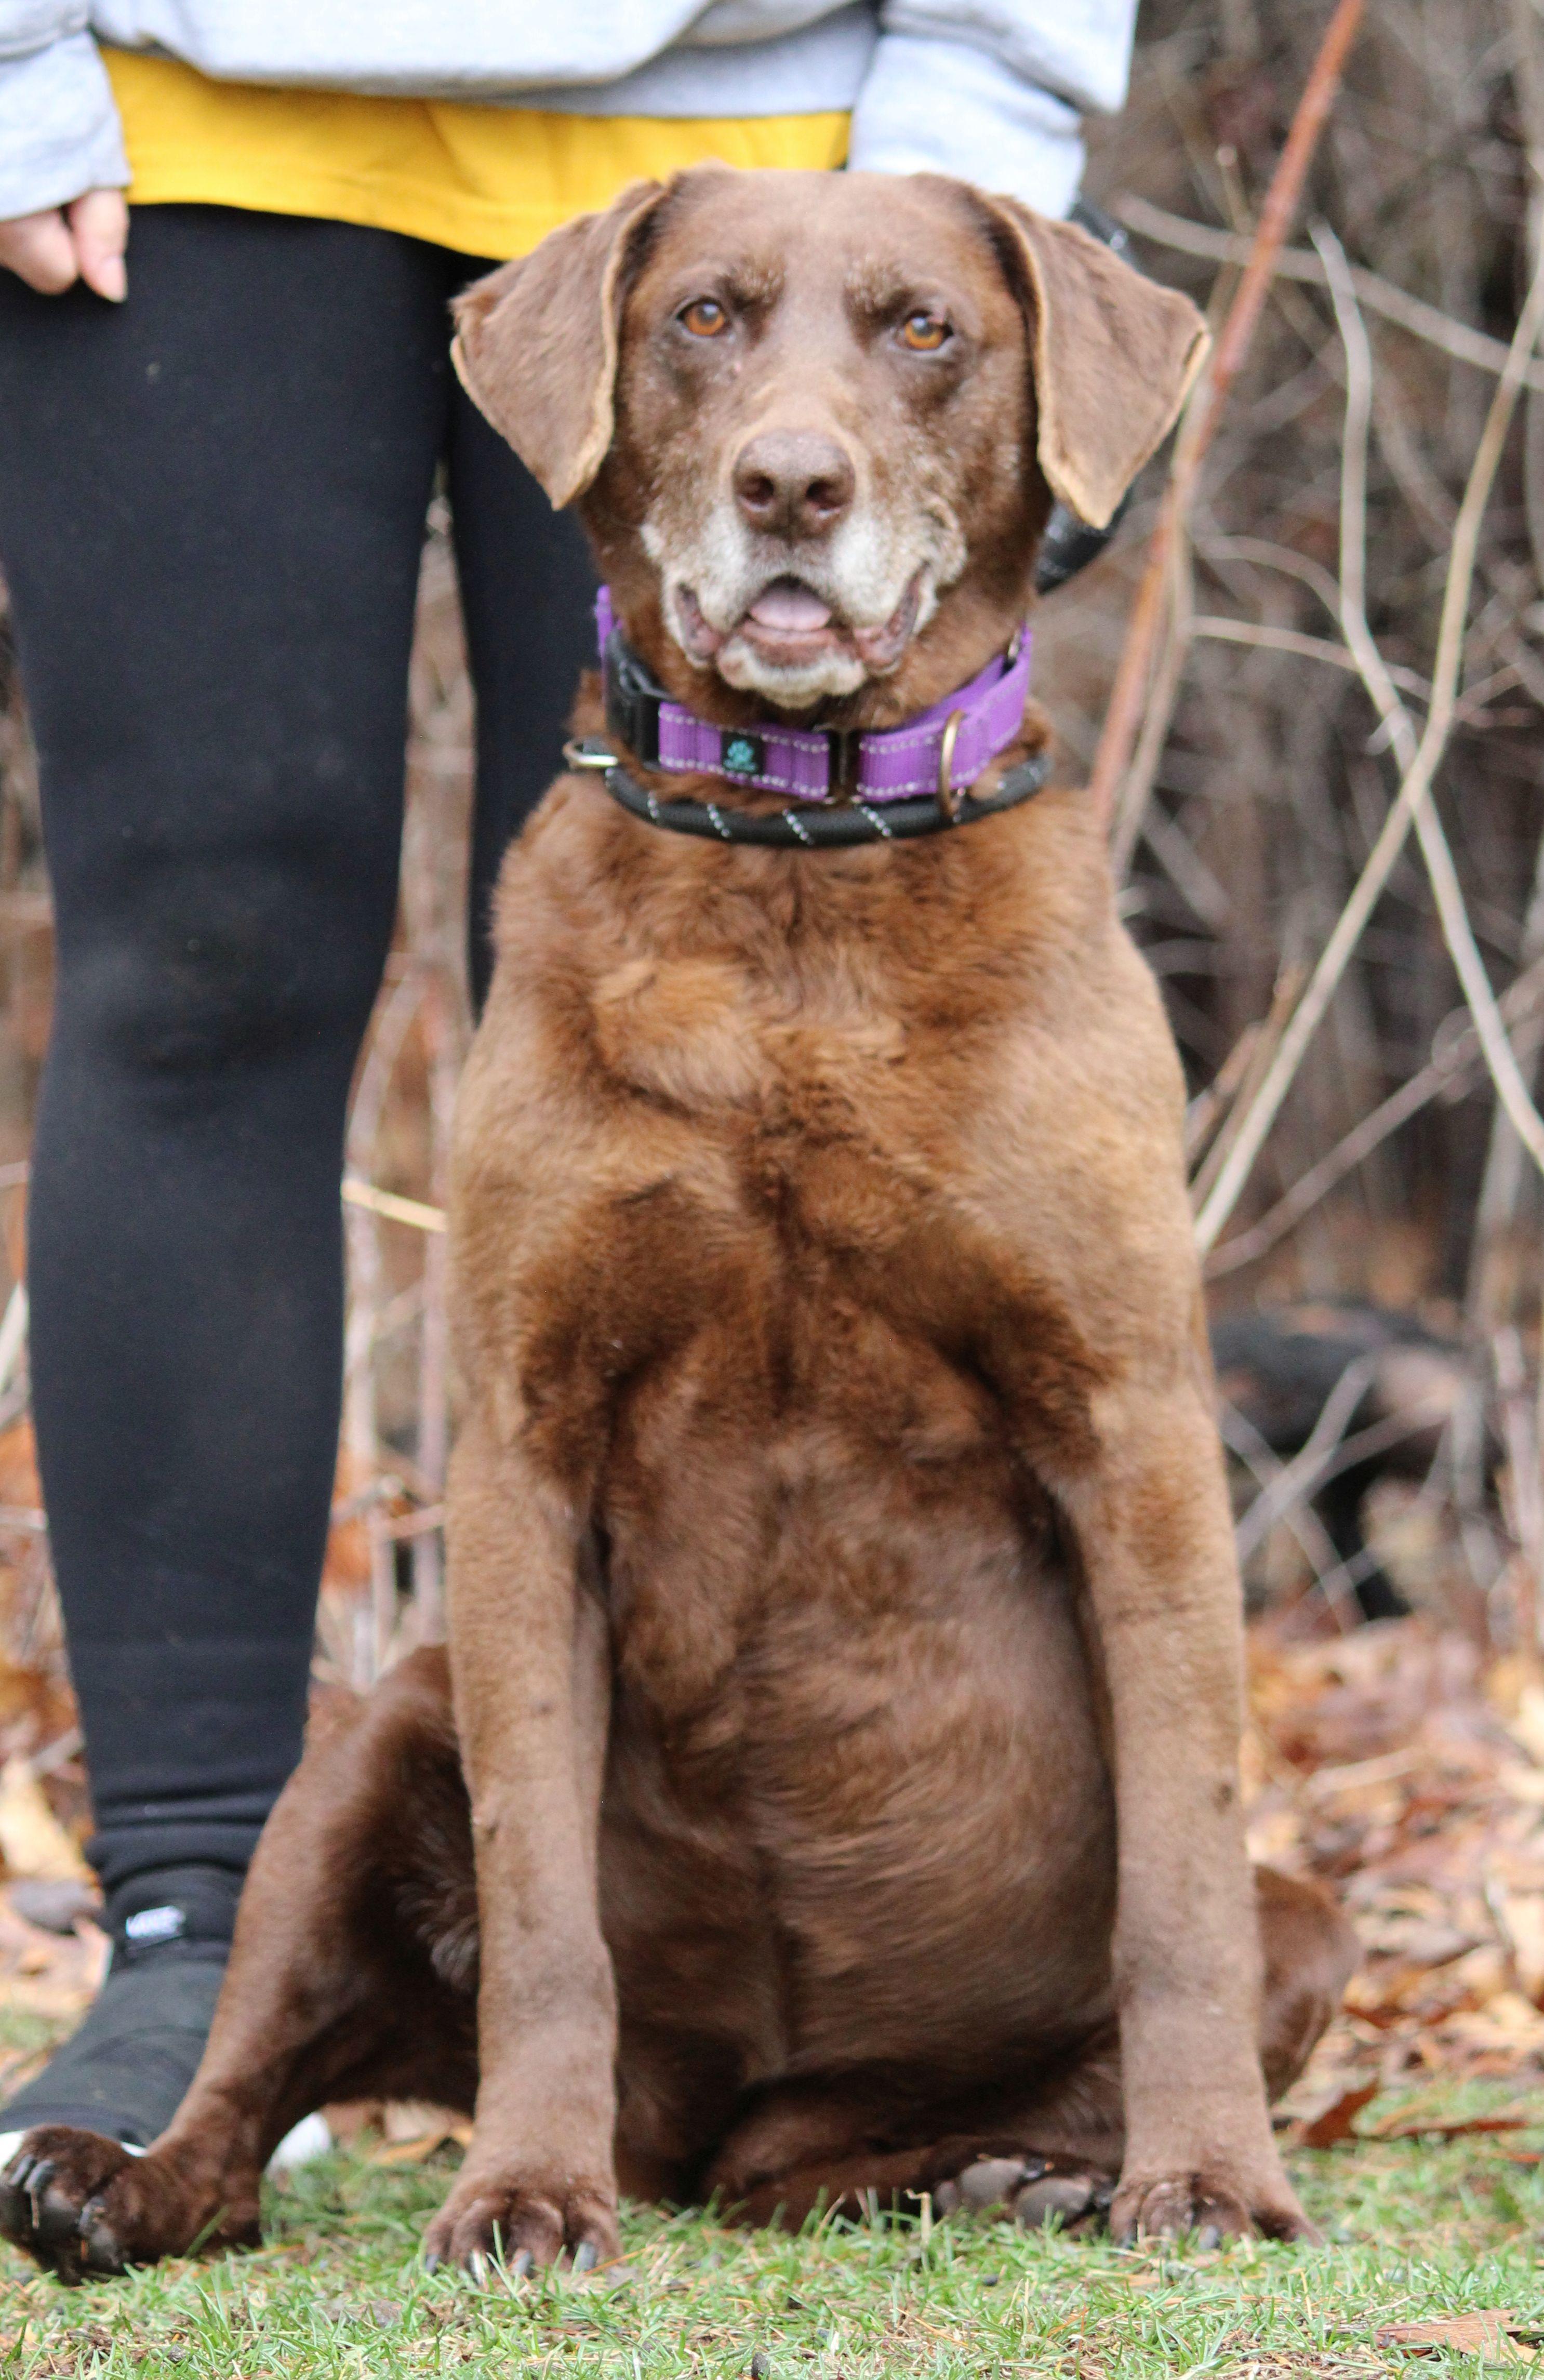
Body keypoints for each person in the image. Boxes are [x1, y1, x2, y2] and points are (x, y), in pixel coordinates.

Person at [0, 0, 1139, 2159]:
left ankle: (702, 1976)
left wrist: (986, 111)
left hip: (765, 128)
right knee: (203, 961)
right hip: (174, 130)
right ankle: (186, 1920)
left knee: (703, 1007)